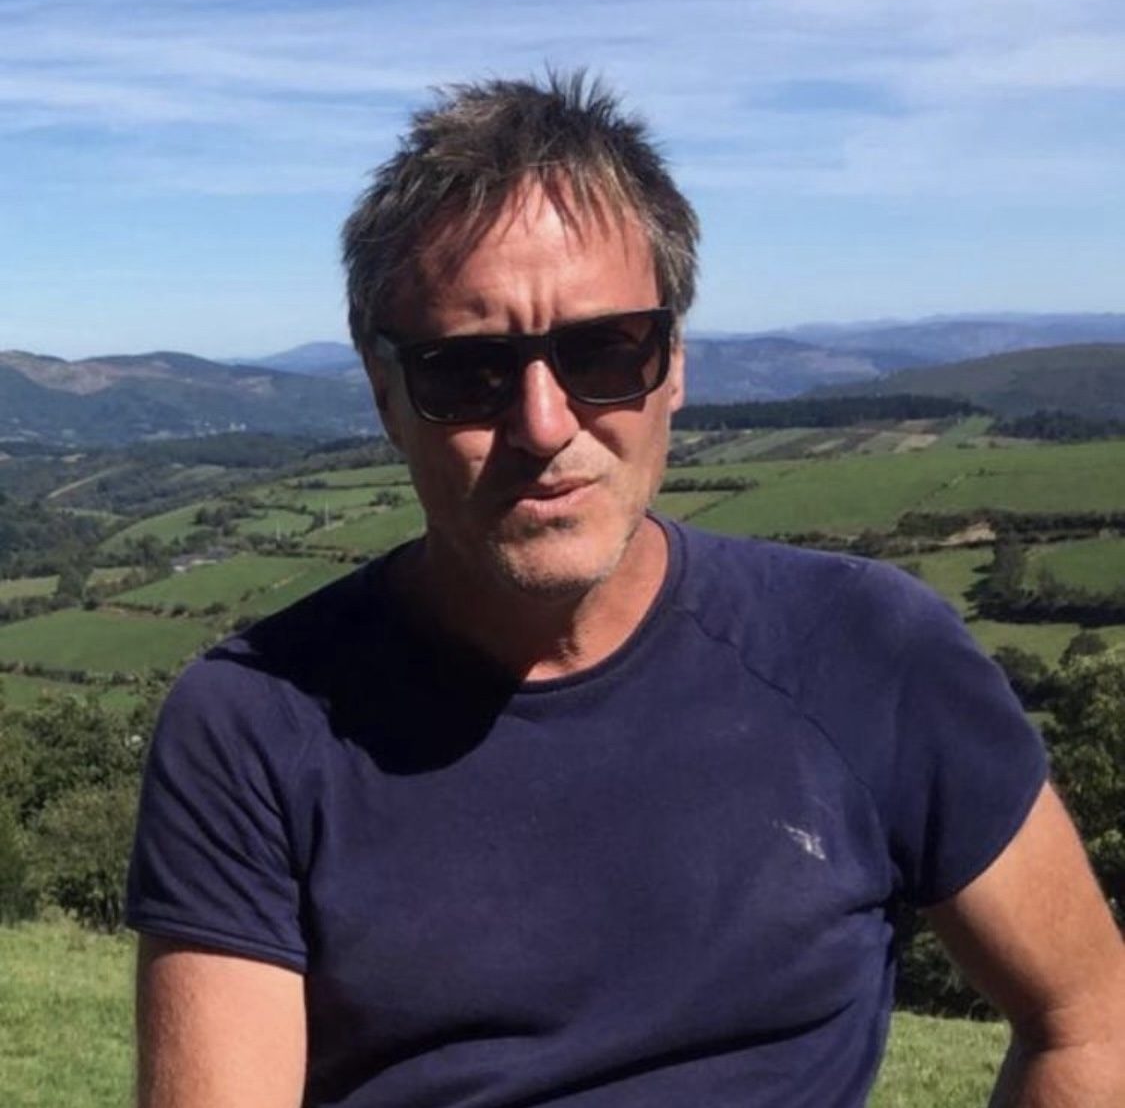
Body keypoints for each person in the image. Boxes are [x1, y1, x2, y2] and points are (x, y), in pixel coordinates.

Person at [128, 72, 1125, 1108]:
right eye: (467, 372)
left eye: (604, 352)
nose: (543, 425)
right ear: (387, 396)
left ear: (673, 363)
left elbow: (1091, 1023)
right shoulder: (253, 725)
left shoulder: (868, 650)